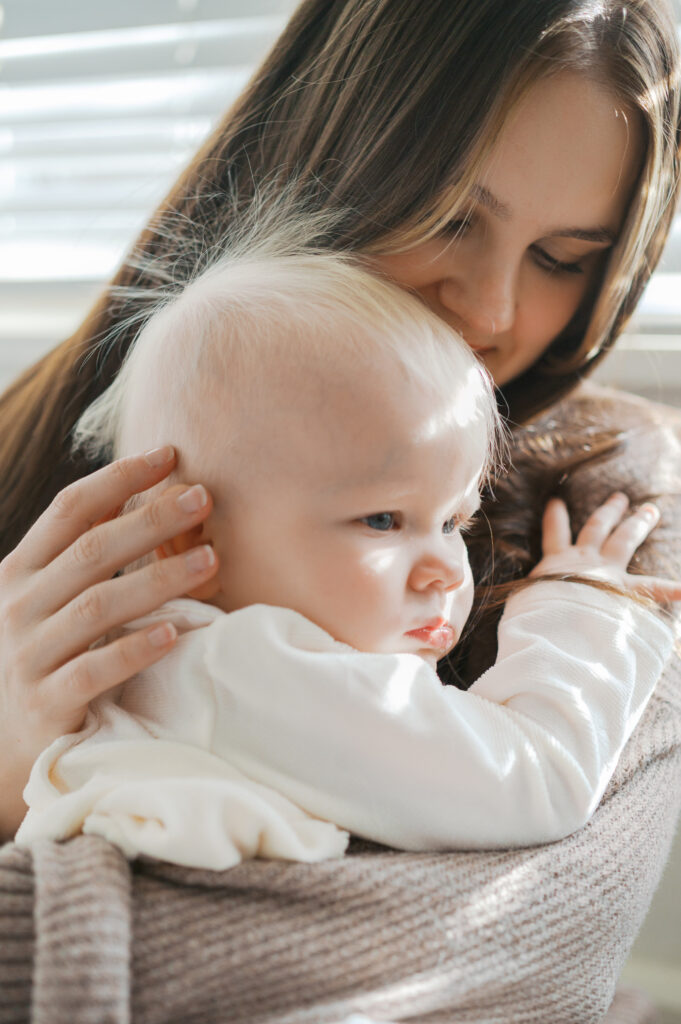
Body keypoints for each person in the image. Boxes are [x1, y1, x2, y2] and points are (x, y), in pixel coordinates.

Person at [0, 0, 679, 1019]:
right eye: (453, 216)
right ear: (328, 152)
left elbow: (515, 939)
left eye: (562, 259)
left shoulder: (609, 482)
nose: (492, 313)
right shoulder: (53, 448)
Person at [13, 245, 676, 869]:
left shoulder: (182, 670)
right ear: (190, 539)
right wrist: (585, 609)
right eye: (382, 521)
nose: (447, 570)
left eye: (453, 521)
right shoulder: (249, 668)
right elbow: (536, 779)